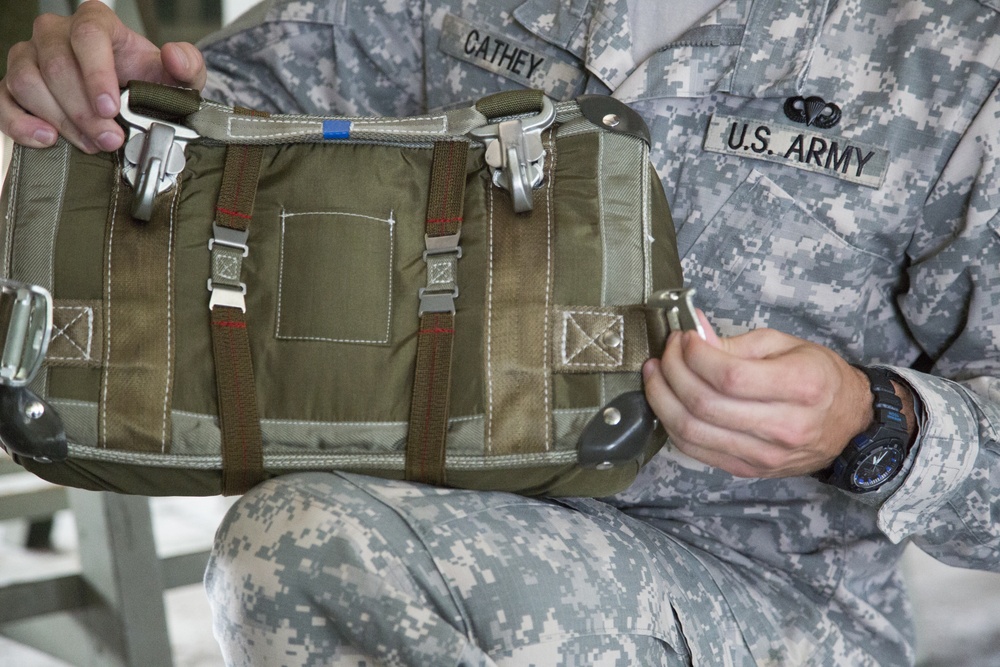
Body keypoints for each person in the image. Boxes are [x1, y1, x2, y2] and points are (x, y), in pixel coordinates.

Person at [3, 0, 1000, 664]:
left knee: (315, 543)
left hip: (762, 593)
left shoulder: (958, 55)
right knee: (313, 542)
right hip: (425, 513)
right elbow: (233, 115)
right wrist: (108, 93)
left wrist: (873, 425)